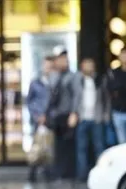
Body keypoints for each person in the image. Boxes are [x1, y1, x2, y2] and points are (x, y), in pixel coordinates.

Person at [71, 58, 111, 181]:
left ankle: (101, 173)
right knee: (81, 148)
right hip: (82, 117)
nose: (89, 67)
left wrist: (106, 115)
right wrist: (73, 113)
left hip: (96, 118)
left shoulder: (99, 80)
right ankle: (82, 175)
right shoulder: (78, 80)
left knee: (99, 147)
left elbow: (106, 99)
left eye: (91, 65)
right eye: (86, 65)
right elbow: (74, 98)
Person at [46, 48, 78, 180]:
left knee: (69, 145)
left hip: (68, 114)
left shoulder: (72, 76)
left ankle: (69, 172)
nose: (62, 62)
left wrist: (74, 113)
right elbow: (50, 95)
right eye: (60, 60)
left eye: (64, 60)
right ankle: (58, 172)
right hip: (56, 115)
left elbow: (76, 95)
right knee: (58, 145)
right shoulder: (54, 76)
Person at [26, 56, 54, 182]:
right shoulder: (35, 83)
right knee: (36, 147)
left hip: (50, 121)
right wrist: (37, 116)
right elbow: (30, 101)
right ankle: (32, 173)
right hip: (38, 121)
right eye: (46, 66)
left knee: (48, 147)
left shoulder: (54, 83)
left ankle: (48, 174)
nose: (48, 69)